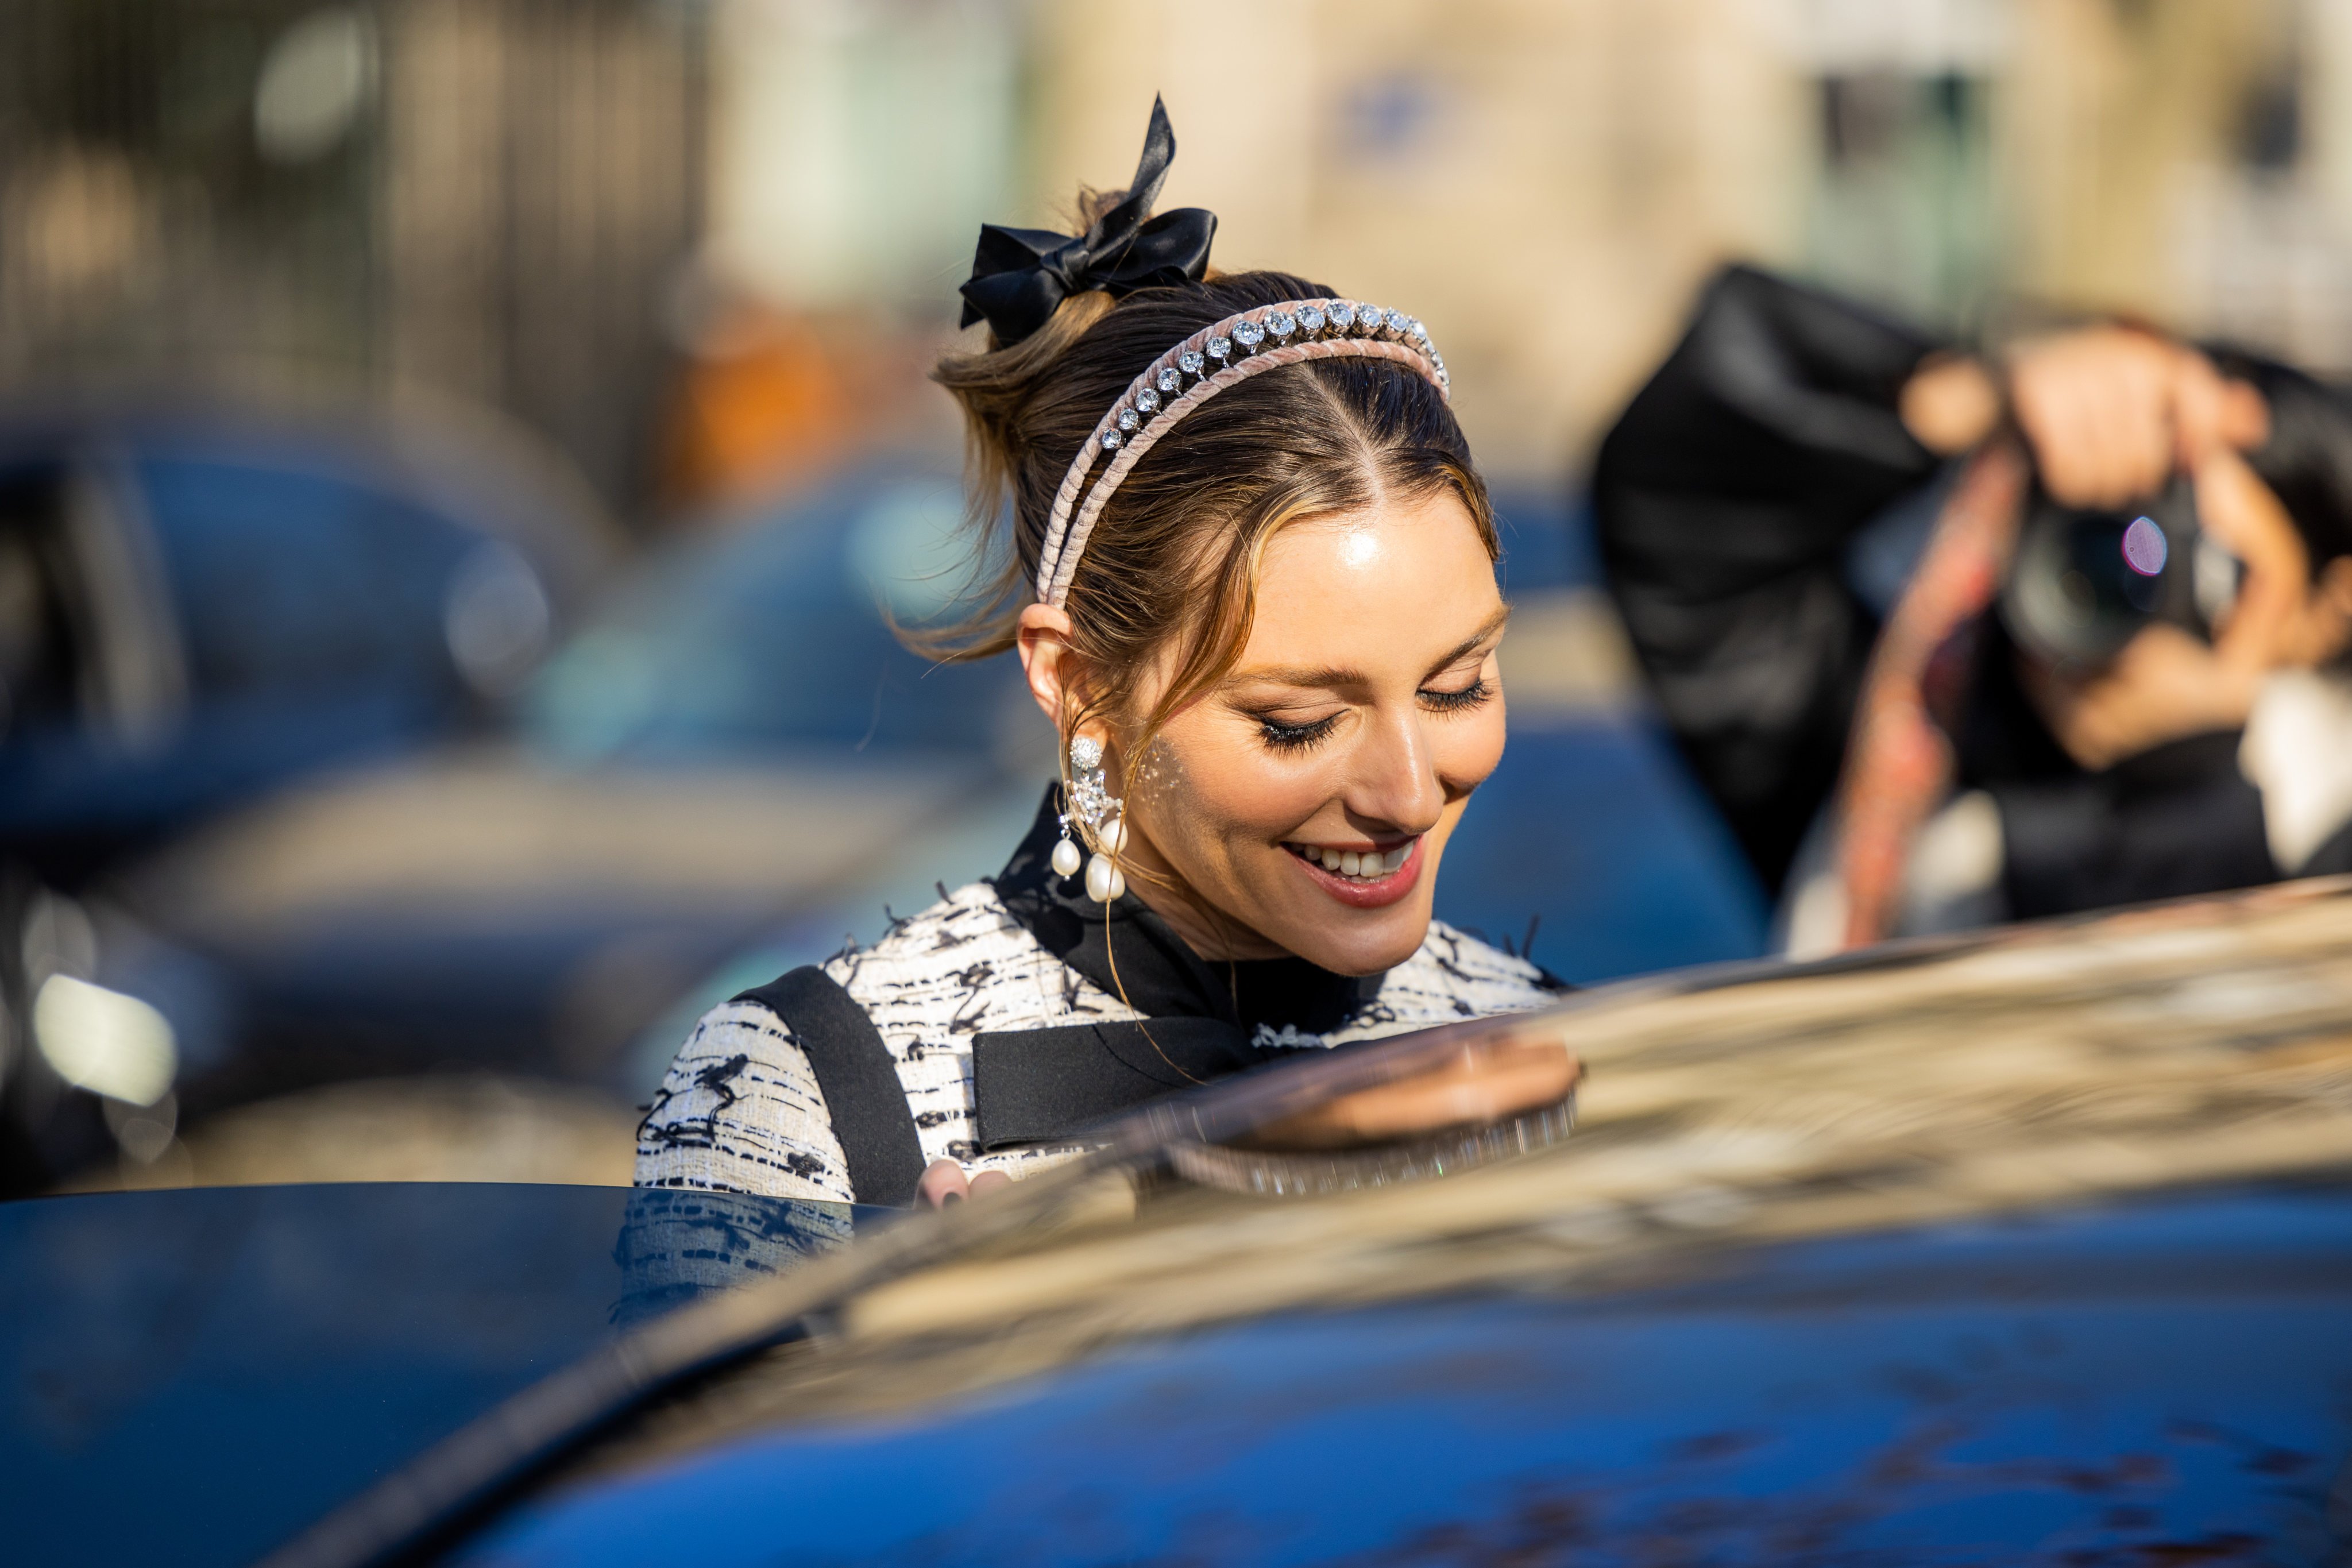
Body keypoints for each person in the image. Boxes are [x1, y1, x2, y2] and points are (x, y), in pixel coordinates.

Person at [635, 102, 1575, 1208]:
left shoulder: (1550, 1050)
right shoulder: (796, 1093)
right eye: (1299, 723)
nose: (1409, 790)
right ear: (1079, 686)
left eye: (1457, 684)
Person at [1593, 265, 2352, 952]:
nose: (2134, 576)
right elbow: (1674, 496)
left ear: (2328, 613)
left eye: (2209, 568)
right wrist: (1965, 398)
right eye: (2105, 529)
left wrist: (2184, 777)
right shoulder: (1902, 725)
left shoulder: (2331, 844)